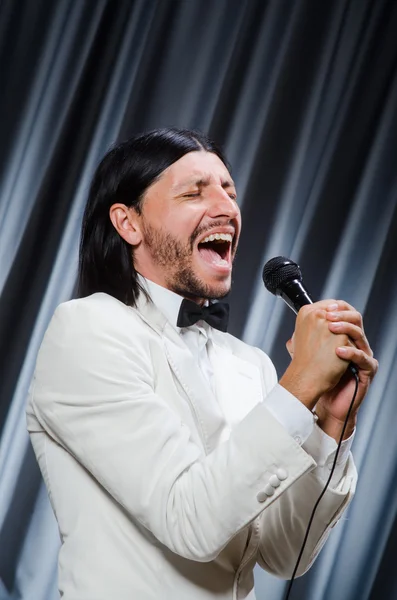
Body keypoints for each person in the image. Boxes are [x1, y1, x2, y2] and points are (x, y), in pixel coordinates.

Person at [26, 128, 377, 600]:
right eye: (194, 191)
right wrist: (299, 386)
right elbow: (189, 520)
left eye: (229, 190)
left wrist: (331, 424)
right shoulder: (86, 330)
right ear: (128, 223)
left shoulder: (249, 365)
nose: (226, 207)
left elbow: (284, 555)